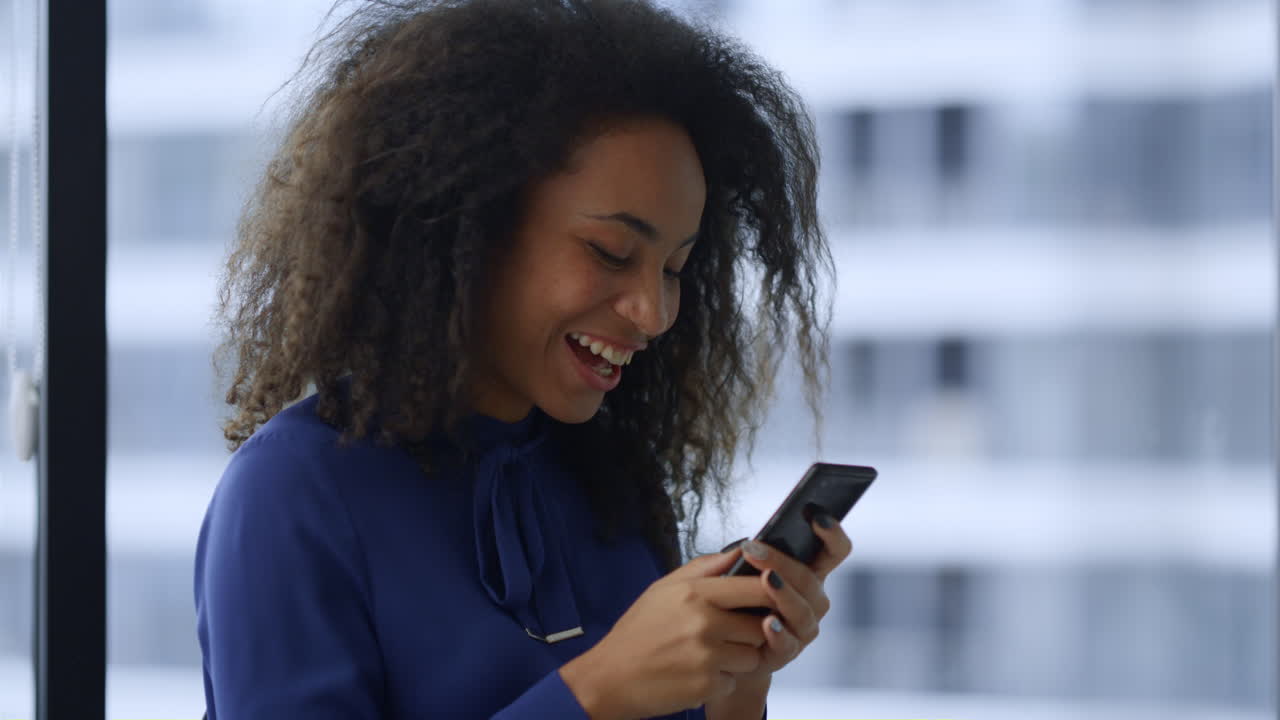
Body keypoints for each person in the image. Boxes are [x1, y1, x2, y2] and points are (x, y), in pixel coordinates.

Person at [194, 0, 847, 717]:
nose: (654, 314)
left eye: (675, 268)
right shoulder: (294, 493)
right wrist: (597, 691)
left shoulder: (609, 483)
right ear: (466, 227)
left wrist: (737, 679)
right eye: (611, 253)